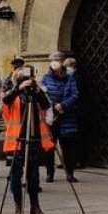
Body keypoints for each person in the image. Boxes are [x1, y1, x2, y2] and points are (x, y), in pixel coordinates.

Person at [2, 67, 52, 214]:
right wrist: (18, 88)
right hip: (17, 141)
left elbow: (46, 105)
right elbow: (6, 101)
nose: (26, 82)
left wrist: (36, 89)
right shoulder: (13, 94)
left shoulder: (35, 93)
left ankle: (35, 206)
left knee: (33, 176)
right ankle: (18, 205)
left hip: (34, 139)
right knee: (16, 176)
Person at [41, 55, 81, 183]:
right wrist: (53, 106)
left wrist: (63, 105)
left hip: (67, 116)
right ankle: (49, 173)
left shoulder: (70, 78)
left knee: (68, 147)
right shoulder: (46, 78)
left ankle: (70, 173)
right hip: (51, 117)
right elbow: (43, 94)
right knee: (49, 147)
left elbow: (75, 94)